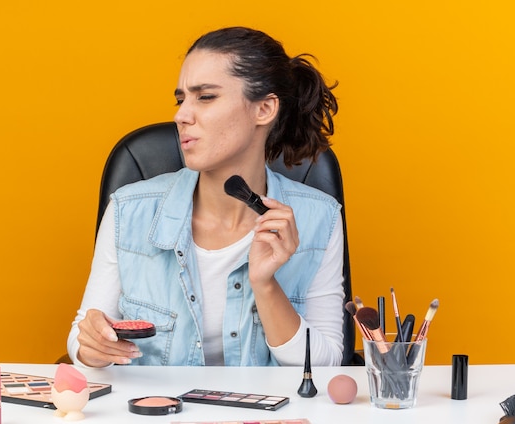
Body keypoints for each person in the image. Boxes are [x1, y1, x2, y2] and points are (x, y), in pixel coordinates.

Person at [67, 26, 344, 367]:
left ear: (264, 109)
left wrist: (265, 284)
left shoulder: (320, 218)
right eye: (181, 99)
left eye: (205, 97)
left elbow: (326, 364)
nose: (181, 115)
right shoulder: (130, 210)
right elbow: (83, 338)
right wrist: (91, 346)